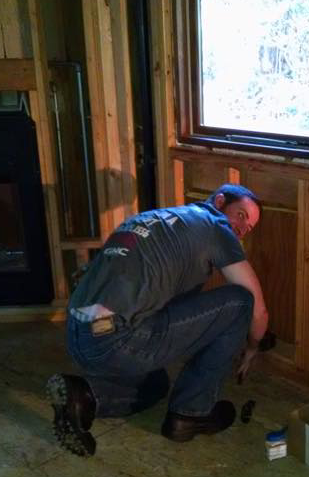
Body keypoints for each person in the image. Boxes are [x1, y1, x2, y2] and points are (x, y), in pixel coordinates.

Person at [46, 184, 268, 456]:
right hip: (116, 340)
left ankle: (83, 396)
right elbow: (258, 310)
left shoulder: (155, 220)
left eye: (248, 228)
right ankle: (191, 414)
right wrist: (253, 347)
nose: (241, 229)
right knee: (241, 301)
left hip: (80, 336)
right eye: (242, 215)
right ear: (220, 201)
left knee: (156, 384)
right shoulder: (215, 227)